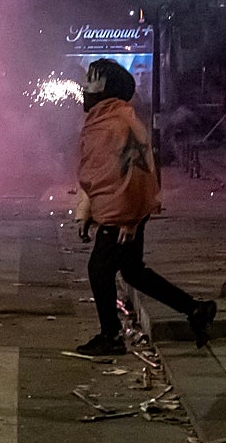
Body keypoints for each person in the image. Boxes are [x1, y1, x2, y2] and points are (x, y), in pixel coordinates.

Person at [74, 59, 216, 356]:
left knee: (99, 270)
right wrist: (89, 208)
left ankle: (111, 336)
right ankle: (194, 309)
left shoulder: (120, 124)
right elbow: (101, 170)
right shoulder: (107, 121)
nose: (86, 88)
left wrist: (129, 218)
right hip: (119, 210)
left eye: (92, 82)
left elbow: (138, 174)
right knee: (133, 272)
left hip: (122, 213)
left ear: (107, 89)